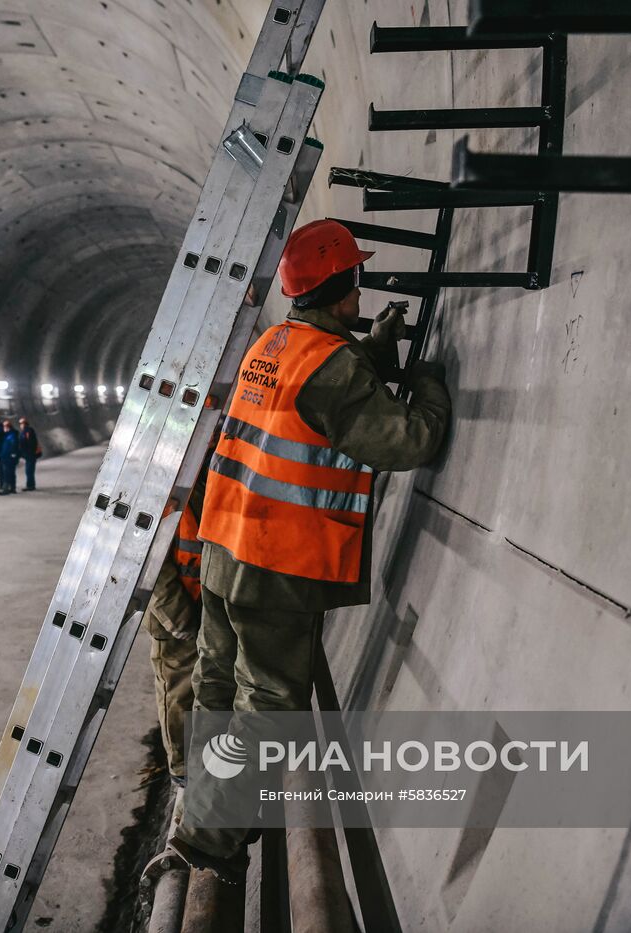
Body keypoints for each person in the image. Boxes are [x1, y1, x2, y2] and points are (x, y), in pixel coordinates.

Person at [157, 218, 452, 884]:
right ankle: (212, 839)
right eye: (357, 278)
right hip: (276, 564)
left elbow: (313, 397)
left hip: (224, 548)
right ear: (344, 284)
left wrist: (371, 351)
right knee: (269, 700)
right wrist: (430, 381)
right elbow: (407, 440)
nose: (362, 288)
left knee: (216, 681)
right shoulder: (329, 364)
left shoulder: (277, 341)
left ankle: (201, 810)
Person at [143, 471, 206, 792]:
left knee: (203, 690)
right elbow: (148, 560)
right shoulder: (165, 483)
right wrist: (179, 619)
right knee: (179, 691)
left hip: (207, 607)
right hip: (179, 614)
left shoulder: (204, 472)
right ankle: (183, 769)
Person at [0, 416, 21, 495]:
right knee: (11, 473)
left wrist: (13, 454)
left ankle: (5, 489)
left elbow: (13, 446)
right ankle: (12, 488)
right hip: (7, 457)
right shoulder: (9, 435)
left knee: (6, 473)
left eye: (5, 427)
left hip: (8, 458)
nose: (4, 428)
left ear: (8, 427)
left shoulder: (11, 436)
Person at [18, 417, 43, 491]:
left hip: (30, 454)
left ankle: (30, 486)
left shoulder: (27, 431)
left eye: (21, 424)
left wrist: (25, 451)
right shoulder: (26, 431)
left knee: (29, 470)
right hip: (29, 454)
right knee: (29, 470)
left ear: (24, 424)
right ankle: (30, 485)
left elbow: (29, 443)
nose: (21, 425)